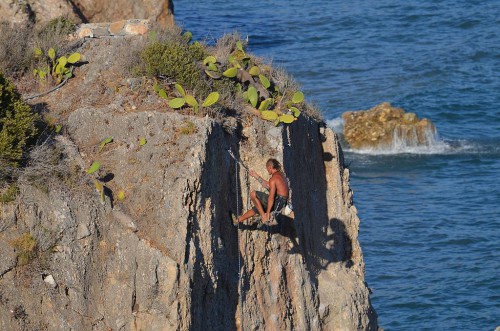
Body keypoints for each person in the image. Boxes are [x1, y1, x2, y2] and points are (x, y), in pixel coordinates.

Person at [233, 158, 289, 225]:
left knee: (253, 194)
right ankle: (237, 220)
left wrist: (267, 213)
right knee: (258, 207)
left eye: (267, 168)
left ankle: (263, 217)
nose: (267, 170)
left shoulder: (273, 179)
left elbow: (271, 198)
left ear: (270, 167)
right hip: (281, 203)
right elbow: (268, 186)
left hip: (277, 202)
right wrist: (256, 175)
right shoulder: (281, 176)